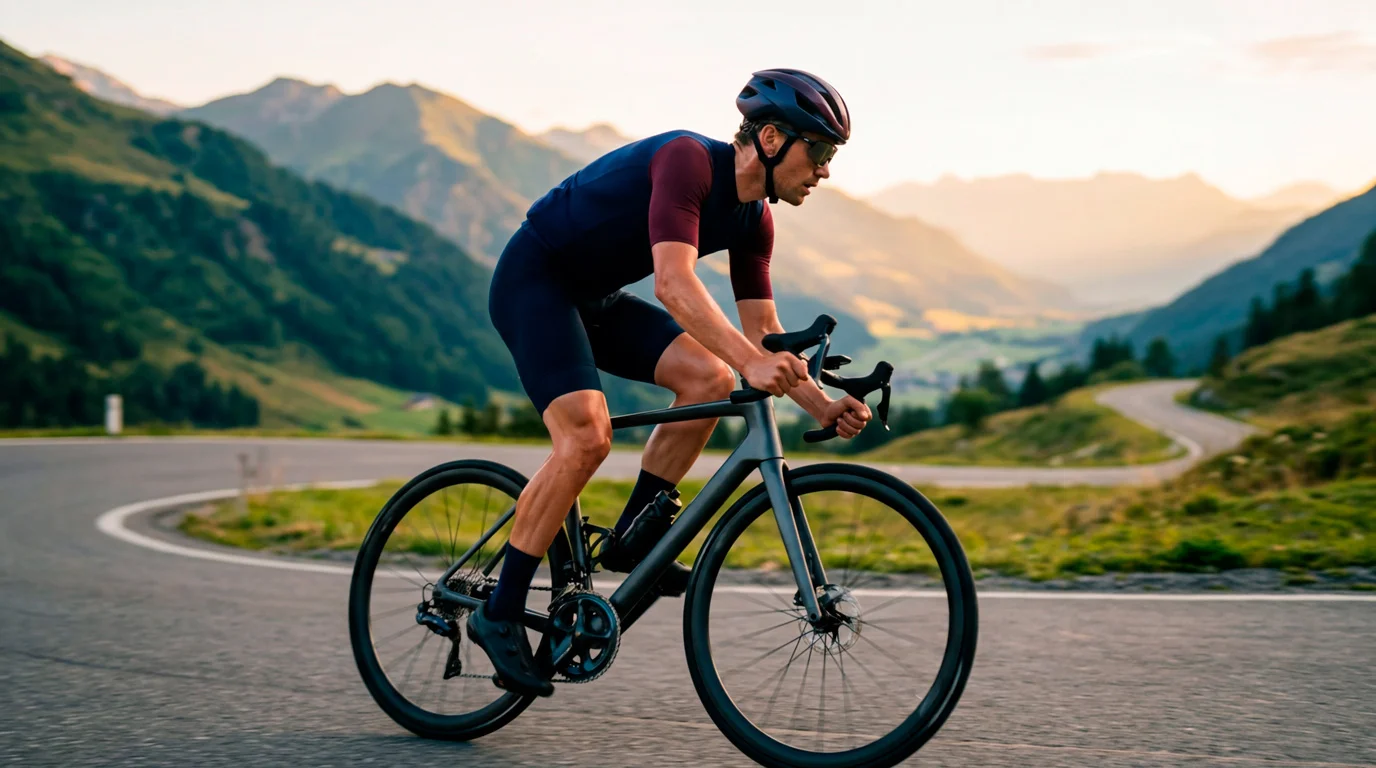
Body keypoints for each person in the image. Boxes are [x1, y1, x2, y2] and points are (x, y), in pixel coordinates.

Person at [468, 69, 872, 696]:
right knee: (586, 437)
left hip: (595, 299)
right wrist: (753, 364)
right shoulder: (688, 162)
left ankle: (633, 542)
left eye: (830, 157)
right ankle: (499, 613)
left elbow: (763, 333)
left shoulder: (755, 220)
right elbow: (672, 283)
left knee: (710, 377)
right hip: (536, 281)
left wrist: (820, 404)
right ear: (770, 139)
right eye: (818, 151)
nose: (823, 171)